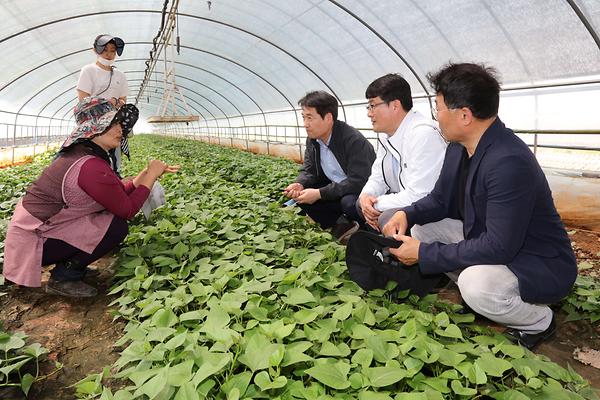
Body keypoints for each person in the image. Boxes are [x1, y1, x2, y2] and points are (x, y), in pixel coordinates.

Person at [382, 63, 577, 349]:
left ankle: (538, 321)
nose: (436, 118)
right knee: (424, 228)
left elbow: (500, 247)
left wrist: (425, 254)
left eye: (439, 108)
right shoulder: (460, 147)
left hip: (537, 262)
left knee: (476, 285)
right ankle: (482, 293)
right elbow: (439, 200)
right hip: (495, 242)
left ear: (464, 115)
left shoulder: (508, 161)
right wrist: (406, 213)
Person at [2, 97, 179, 298]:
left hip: (43, 229)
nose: (120, 129)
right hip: (33, 240)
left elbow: (116, 192)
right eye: (113, 124)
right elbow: (127, 210)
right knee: (115, 226)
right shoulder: (89, 165)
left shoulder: (86, 155)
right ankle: (65, 274)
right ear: (95, 129)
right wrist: (152, 176)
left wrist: (146, 174)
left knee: (107, 219)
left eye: (120, 123)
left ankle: (70, 265)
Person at [357, 74, 446, 231]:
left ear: (395, 105)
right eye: (368, 107)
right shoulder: (387, 137)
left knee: (385, 216)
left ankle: (404, 252)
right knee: (360, 204)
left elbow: (420, 195)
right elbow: (378, 177)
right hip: (407, 200)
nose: (369, 113)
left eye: (372, 106)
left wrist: (375, 203)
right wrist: (366, 196)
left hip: (432, 209)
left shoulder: (423, 134)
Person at [284, 91, 376, 240]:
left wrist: (320, 193)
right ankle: (340, 224)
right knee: (302, 195)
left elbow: (358, 181)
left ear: (328, 118)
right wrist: (300, 183)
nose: (305, 124)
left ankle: (367, 233)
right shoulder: (313, 140)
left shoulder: (353, 140)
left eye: (310, 118)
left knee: (349, 202)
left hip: (361, 191)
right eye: (303, 117)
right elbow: (309, 170)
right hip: (337, 188)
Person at [77, 34, 129, 175]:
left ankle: (113, 180)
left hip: (113, 124)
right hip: (93, 127)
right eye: (104, 50)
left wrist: (117, 102)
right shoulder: (89, 70)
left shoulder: (120, 75)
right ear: (95, 50)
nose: (108, 54)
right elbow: (83, 101)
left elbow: (123, 99)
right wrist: (104, 104)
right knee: (95, 162)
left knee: (114, 162)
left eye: (112, 50)